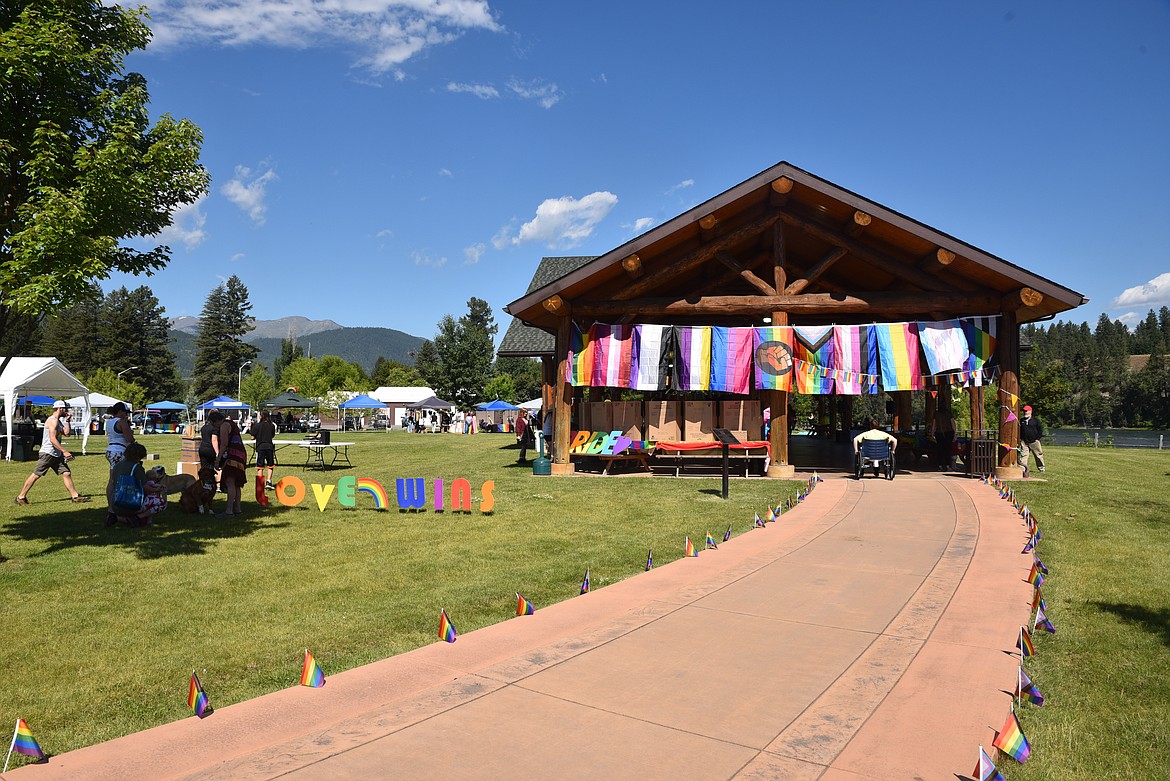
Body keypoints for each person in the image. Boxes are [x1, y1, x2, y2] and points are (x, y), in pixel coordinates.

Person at [15, 400, 90, 505]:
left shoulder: (58, 421)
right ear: (60, 409)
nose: (67, 411)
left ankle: (75, 496)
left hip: (56, 453)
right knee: (36, 474)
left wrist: (68, 420)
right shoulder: (52, 420)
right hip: (48, 453)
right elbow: (52, 439)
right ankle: (21, 497)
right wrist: (64, 451)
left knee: (66, 473)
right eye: (66, 409)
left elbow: (67, 433)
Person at [109, 442, 166, 526]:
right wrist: (158, 489)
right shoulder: (136, 467)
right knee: (161, 503)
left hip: (116, 502)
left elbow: (113, 482)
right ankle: (137, 517)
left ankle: (117, 517)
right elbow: (145, 487)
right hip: (130, 503)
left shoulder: (118, 465)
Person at [104, 402, 137, 524]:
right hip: (120, 452)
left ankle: (111, 509)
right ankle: (121, 509)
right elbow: (130, 439)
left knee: (112, 481)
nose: (126, 416)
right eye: (125, 413)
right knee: (122, 480)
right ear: (120, 412)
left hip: (110, 450)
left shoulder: (109, 422)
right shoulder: (121, 422)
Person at [216, 414, 248, 516]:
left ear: (215, 421)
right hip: (241, 454)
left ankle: (229, 511)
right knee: (237, 484)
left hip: (233, 455)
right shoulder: (232, 424)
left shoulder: (224, 426)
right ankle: (238, 509)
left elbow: (224, 444)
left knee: (230, 482)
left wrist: (218, 459)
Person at [252, 410, 278, 489]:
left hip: (260, 447)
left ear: (261, 416)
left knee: (260, 465)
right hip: (269, 446)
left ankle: (260, 483)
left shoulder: (257, 426)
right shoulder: (272, 425)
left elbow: (252, 437)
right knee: (270, 464)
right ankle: (269, 481)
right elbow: (273, 435)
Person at [1019, 404, 1045, 474]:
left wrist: (1037, 439)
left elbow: (1040, 430)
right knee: (1023, 456)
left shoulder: (1036, 421)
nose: (1025, 412)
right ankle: (1022, 469)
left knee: (1038, 455)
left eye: (1026, 411)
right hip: (1024, 442)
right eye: (1024, 411)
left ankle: (1041, 468)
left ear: (1030, 411)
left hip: (1034, 441)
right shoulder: (1021, 421)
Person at [933, 400, 955, 471]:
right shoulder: (949, 413)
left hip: (939, 432)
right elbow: (953, 423)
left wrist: (932, 433)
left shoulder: (936, 413)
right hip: (948, 432)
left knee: (940, 450)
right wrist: (955, 433)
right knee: (948, 449)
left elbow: (934, 424)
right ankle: (948, 465)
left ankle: (940, 466)